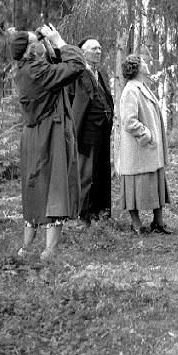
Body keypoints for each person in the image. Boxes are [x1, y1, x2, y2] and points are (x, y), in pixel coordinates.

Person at [10, 24, 86, 260]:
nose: (40, 42)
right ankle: (49, 251)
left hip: (33, 135)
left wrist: (48, 46)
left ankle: (26, 248)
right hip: (49, 133)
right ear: (30, 50)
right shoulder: (38, 72)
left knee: (33, 186)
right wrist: (59, 41)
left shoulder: (25, 70)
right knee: (56, 186)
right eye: (36, 41)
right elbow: (76, 66)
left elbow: (54, 71)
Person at [118, 54, 172, 235]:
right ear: (138, 67)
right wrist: (146, 135)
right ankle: (136, 224)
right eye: (143, 62)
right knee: (134, 185)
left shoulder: (142, 87)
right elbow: (129, 121)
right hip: (138, 150)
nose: (146, 63)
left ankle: (158, 222)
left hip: (149, 150)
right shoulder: (131, 90)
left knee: (156, 180)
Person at [68, 38, 114, 226]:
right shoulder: (76, 74)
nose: (98, 51)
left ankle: (101, 213)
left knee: (102, 171)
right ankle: (83, 215)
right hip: (87, 130)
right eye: (94, 48)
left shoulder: (101, 72)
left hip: (103, 129)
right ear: (83, 52)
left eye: (100, 48)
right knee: (86, 173)